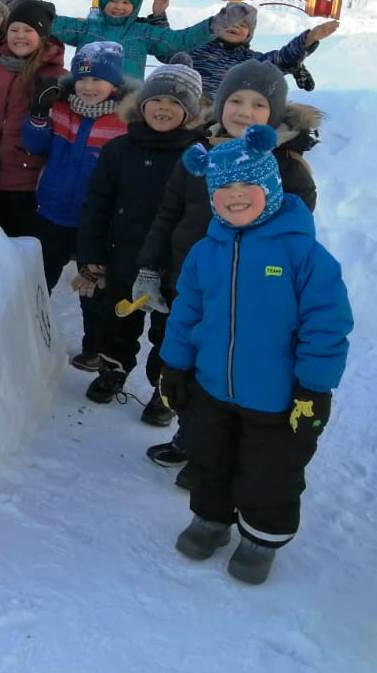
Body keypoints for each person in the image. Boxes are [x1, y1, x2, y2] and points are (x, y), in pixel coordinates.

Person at [160, 124, 351, 585]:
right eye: (222, 187)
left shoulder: (303, 255)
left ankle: (261, 537)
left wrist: (314, 387)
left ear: (268, 184)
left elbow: (326, 326)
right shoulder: (206, 251)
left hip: (278, 398)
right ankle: (211, 519)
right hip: (211, 389)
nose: (235, 195)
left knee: (271, 473)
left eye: (247, 184)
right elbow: (186, 312)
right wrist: (174, 364)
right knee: (210, 459)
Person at [136, 59, 321, 482]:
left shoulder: (288, 169)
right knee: (178, 356)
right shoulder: (199, 156)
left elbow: (297, 243)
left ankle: (213, 454)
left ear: (272, 114)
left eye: (258, 104)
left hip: (244, 294)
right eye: (235, 100)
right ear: (219, 105)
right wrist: (150, 268)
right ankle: (189, 433)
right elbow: (168, 215)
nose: (244, 111)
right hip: (188, 281)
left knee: (225, 369)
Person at [74, 57, 207, 412]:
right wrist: (92, 254)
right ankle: (112, 370)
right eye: (157, 101)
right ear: (143, 103)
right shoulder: (119, 149)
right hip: (125, 255)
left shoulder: (199, 158)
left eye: (175, 103)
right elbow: (97, 204)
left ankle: (163, 390)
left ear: (190, 112)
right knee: (117, 321)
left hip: (175, 265)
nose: (163, 109)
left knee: (169, 332)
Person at [22, 41, 129, 367]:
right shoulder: (61, 108)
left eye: (98, 79)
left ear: (115, 84)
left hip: (95, 222)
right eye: (82, 79)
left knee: (92, 288)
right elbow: (33, 144)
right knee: (40, 279)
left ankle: (94, 347)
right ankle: (27, 337)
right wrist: (38, 114)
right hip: (52, 210)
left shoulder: (123, 123)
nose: (88, 86)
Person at [0, 0, 68, 237]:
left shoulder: (57, 77)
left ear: (42, 36)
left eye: (28, 30)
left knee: (23, 246)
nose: (19, 36)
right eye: (14, 29)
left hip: (28, 182)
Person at [51, 0, 213, 79]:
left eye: (126, 2)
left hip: (126, 108)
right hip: (84, 98)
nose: (119, 7)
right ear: (103, 1)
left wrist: (214, 25)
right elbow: (49, 23)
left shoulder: (142, 33)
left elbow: (178, 41)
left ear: (135, 5)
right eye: (113, 0)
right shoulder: (87, 29)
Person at [188, 1, 337, 97]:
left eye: (243, 24)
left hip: (230, 121)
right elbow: (167, 45)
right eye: (230, 21)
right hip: (191, 117)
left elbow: (280, 59)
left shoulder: (250, 60)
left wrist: (309, 39)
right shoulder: (195, 47)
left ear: (249, 34)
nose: (235, 26)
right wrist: (162, 14)